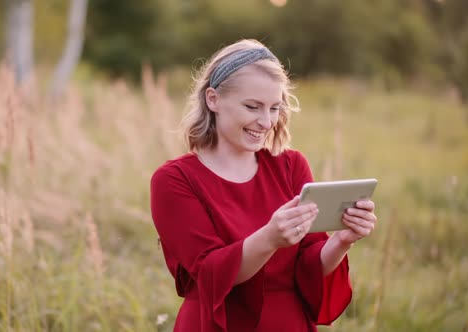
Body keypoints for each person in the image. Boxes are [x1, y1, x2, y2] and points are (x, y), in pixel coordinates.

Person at [150, 39, 377, 332]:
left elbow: (308, 267)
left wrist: (342, 240)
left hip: (289, 323)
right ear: (213, 99)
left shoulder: (290, 166)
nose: (266, 121)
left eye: (274, 108)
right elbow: (210, 275)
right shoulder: (175, 179)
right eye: (252, 107)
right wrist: (269, 238)